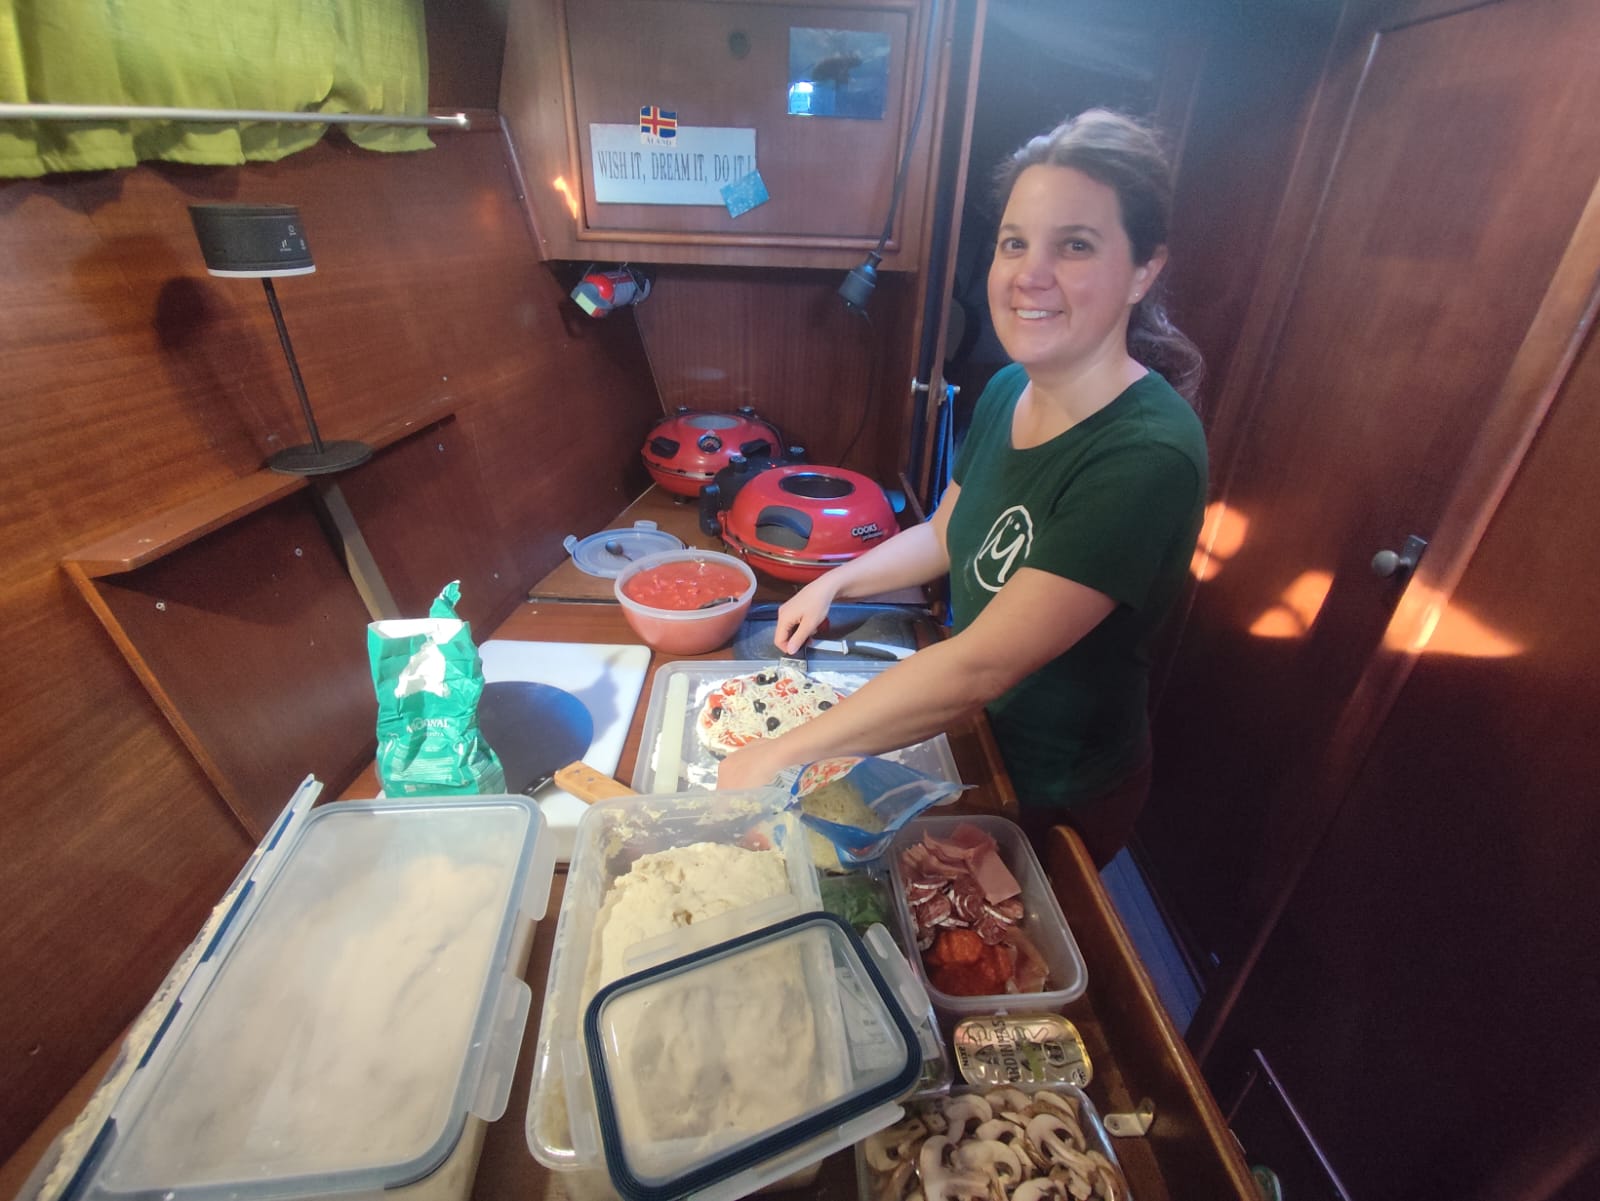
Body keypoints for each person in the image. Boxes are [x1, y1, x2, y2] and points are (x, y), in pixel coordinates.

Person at [715, 109, 1208, 868]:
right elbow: (948, 532)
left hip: (1050, 788)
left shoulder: (1146, 455)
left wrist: (781, 752)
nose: (1030, 274)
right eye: (1015, 242)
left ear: (1145, 269)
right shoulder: (1010, 388)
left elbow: (982, 665)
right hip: (969, 733)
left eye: (1075, 245)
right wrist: (834, 582)